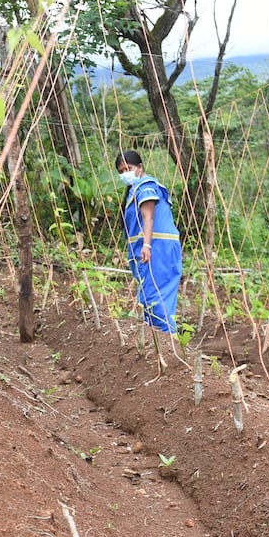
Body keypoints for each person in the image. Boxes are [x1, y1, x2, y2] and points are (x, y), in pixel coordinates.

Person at [115, 150, 183, 375]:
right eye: (122, 171)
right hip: (154, 249)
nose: (126, 174)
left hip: (158, 248)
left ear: (140, 167)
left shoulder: (146, 186)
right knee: (150, 296)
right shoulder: (134, 190)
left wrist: (147, 245)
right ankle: (162, 351)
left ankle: (168, 351)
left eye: (129, 169)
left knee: (156, 297)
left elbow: (148, 217)